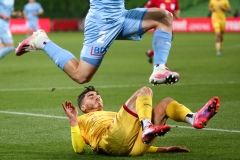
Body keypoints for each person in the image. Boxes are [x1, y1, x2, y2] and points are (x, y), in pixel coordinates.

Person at [15, 0, 180, 86]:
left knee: (165, 17)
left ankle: (159, 69)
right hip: (102, 22)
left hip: (120, 16)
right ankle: (41, 41)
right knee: (81, 76)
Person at [62, 86, 220, 156]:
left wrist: (163, 149)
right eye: (91, 96)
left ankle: (194, 118)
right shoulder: (81, 119)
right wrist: (73, 121)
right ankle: (147, 126)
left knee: (165, 103)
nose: (97, 97)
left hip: (134, 150)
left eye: (98, 95)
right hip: (109, 139)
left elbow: (127, 137)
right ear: (83, 106)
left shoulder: (114, 115)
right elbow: (79, 150)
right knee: (145, 91)